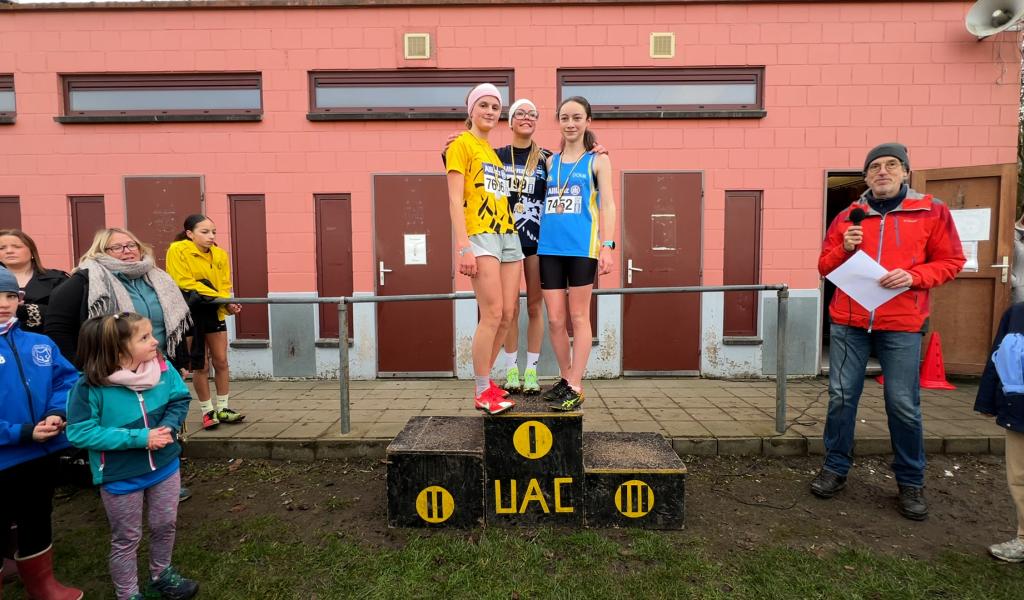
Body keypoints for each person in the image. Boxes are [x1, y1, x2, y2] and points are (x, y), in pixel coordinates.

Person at [812, 143, 966, 520]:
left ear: (905, 172)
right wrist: (844, 250)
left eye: (891, 165)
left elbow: (952, 261)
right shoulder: (850, 215)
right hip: (849, 323)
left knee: (903, 405)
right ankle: (834, 469)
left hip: (901, 324)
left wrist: (914, 276)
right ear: (865, 176)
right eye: (875, 167)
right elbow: (824, 266)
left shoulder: (930, 211)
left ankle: (910, 481)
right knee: (841, 398)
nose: (882, 172)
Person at [45, 227, 195, 503]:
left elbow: (173, 325)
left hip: (157, 365)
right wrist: (84, 367)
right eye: (118, 247)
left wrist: (181, 360)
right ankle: (121, 482)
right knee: (124, 424)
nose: (127, 251)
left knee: (164, 418)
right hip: (110, 373)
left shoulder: (155, 277)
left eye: (131, 245)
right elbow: (57, 328)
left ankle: (163, 477)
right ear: (100, 251)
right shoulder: (87, 280)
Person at [66, 313, 198, 600]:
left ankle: (161, 574)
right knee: (126, 538)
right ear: (116, 347)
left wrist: (169, 427)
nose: (156, 341)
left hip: (165, 466)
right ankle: (128, 594)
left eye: (152, 334)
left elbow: (179, 399)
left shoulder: (163, 368)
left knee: (165, 524)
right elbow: (80, 433)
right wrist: (140, 438)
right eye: (144, 337)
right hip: (120, 476)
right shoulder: (89, 387)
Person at [0, 266, 83, 600]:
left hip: (41, 452)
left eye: (9, 296)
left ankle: (42, 585)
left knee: (37, 515)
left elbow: (67, 379)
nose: (3, 303)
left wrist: (56, 414)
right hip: (7, 452)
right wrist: (21, 432)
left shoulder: (40, 342)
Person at [446, 83, 522, 415]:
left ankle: (487, 381)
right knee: (491, 313)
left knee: (507, 315)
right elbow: (453, 198)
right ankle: (480, 390)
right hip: (480, 235)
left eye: (495, 107)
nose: (490, 111)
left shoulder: (492, 152)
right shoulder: (460, 145)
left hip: (508, 235)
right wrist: (463, 246)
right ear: (471, 110)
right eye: (484, 105)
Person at [537, 96, 617, 412]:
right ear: (559, 121)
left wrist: (607, 246)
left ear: (588, 121)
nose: (571, 123)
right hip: (549, 248)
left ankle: (576, 384)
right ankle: (565, 377)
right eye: (565, 118)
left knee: (579, 316)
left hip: (583, 249)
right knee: (555, 320)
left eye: (577, 117)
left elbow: (608, 204)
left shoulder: (598, 160)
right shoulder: (548, 161)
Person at [166, 214, 244, 430]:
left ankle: (223, 408)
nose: (211, 236)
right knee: (200, 363)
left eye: (214, 232)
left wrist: (227, 303)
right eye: (205, 232)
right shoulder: (178, 250)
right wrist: (222, 297)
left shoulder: (219, 254)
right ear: (190, 233)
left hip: (213, 310)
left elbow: (225, 284)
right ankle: (207, 411)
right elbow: (184, 282)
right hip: (190, 310)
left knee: (221, 361)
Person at [493, 99, 549, 396]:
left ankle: (531, 371)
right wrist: (447, 149)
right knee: (509, 309)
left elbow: (575, 168)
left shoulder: (547, 159)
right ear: (510, 121)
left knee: (535, 306)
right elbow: (463, 168)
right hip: (505, 241)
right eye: (520, 113)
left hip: (538, 242)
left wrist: (595, 152)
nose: (526, 117)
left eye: (532, 113)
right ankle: (511, 367)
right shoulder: (496, 156)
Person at [975, 303, 1024, 562]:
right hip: (1019, 409)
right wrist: (987, 401)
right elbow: (998, 356)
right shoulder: (1017, 314)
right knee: (1019, 476)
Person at [0, 229, 68, 333]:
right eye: (2, 248)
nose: (9, 251)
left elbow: (68, 313)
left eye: (17, 247)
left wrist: (24, 310)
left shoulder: (57, 279)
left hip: (47, 342)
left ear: (32, 252)